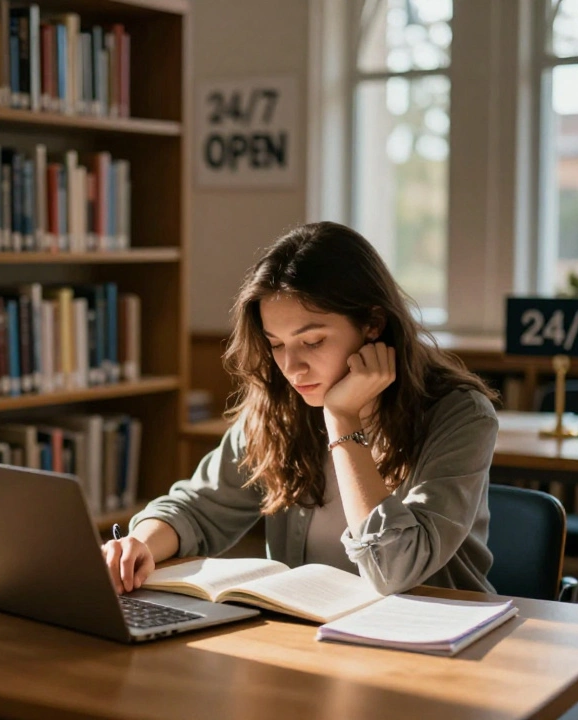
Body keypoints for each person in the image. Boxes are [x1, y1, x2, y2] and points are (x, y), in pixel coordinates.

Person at [104, 221, 500, 597]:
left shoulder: (461, 416)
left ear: (373, 324)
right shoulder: (281, 405)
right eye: (276, 344)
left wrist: (342, 419)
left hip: (434, 644)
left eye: (312, 342)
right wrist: (139, 543)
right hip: (315, 638)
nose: (292, 368)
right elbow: (198, 507)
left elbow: (394, 569)